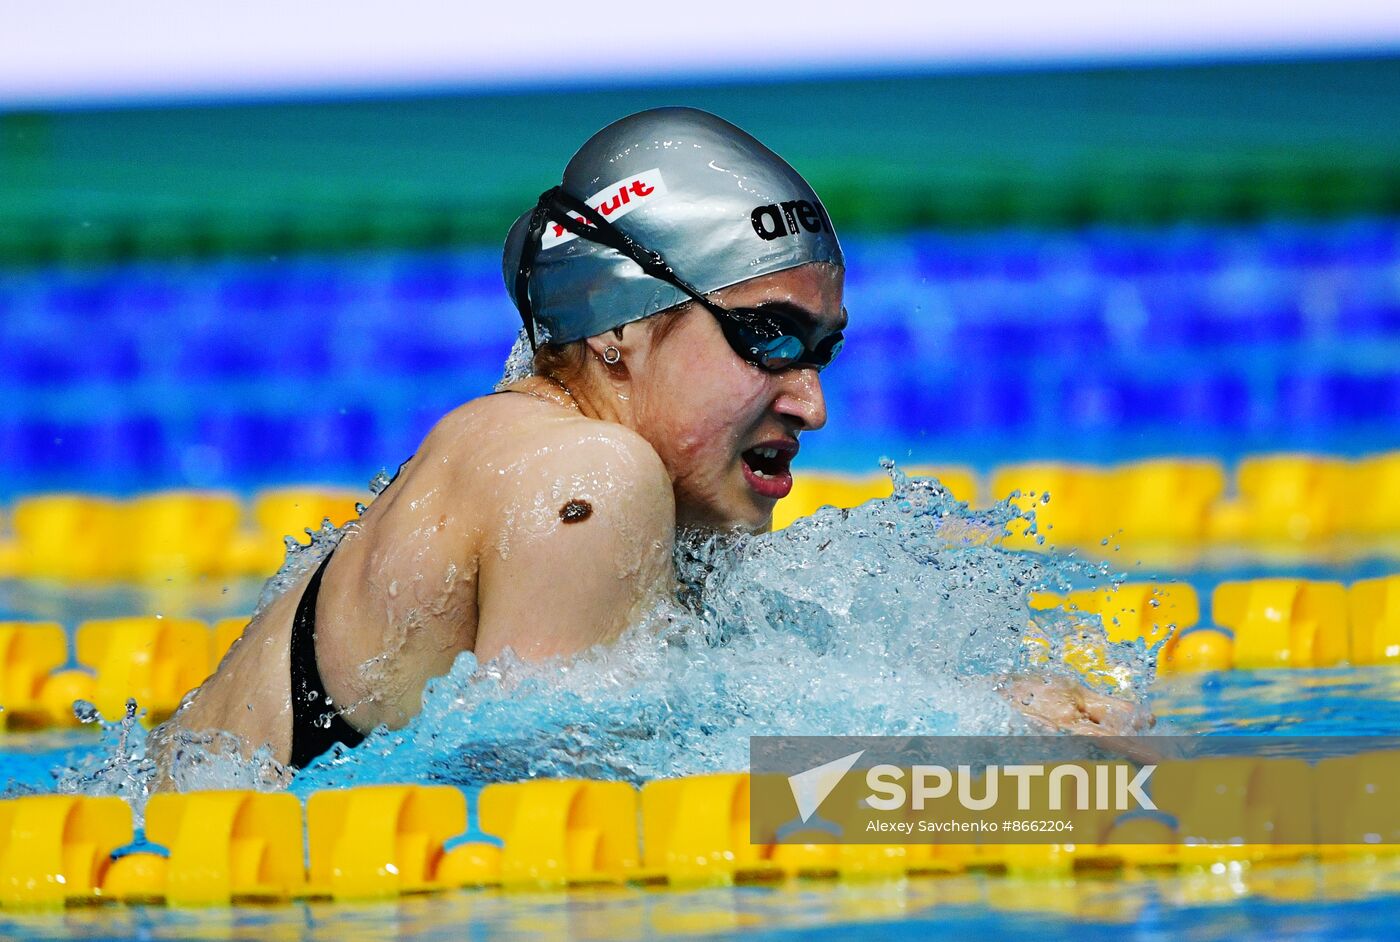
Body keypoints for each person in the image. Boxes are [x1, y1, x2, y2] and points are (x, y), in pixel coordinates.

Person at [157, 107, 1145, 776]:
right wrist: (971, 773)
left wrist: (967, 707)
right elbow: (582, 806)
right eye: (767, 337)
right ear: (619, 331)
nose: (809, 403)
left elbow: (667, 722)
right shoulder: (587, 478)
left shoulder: (547, 463)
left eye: (820, 354)